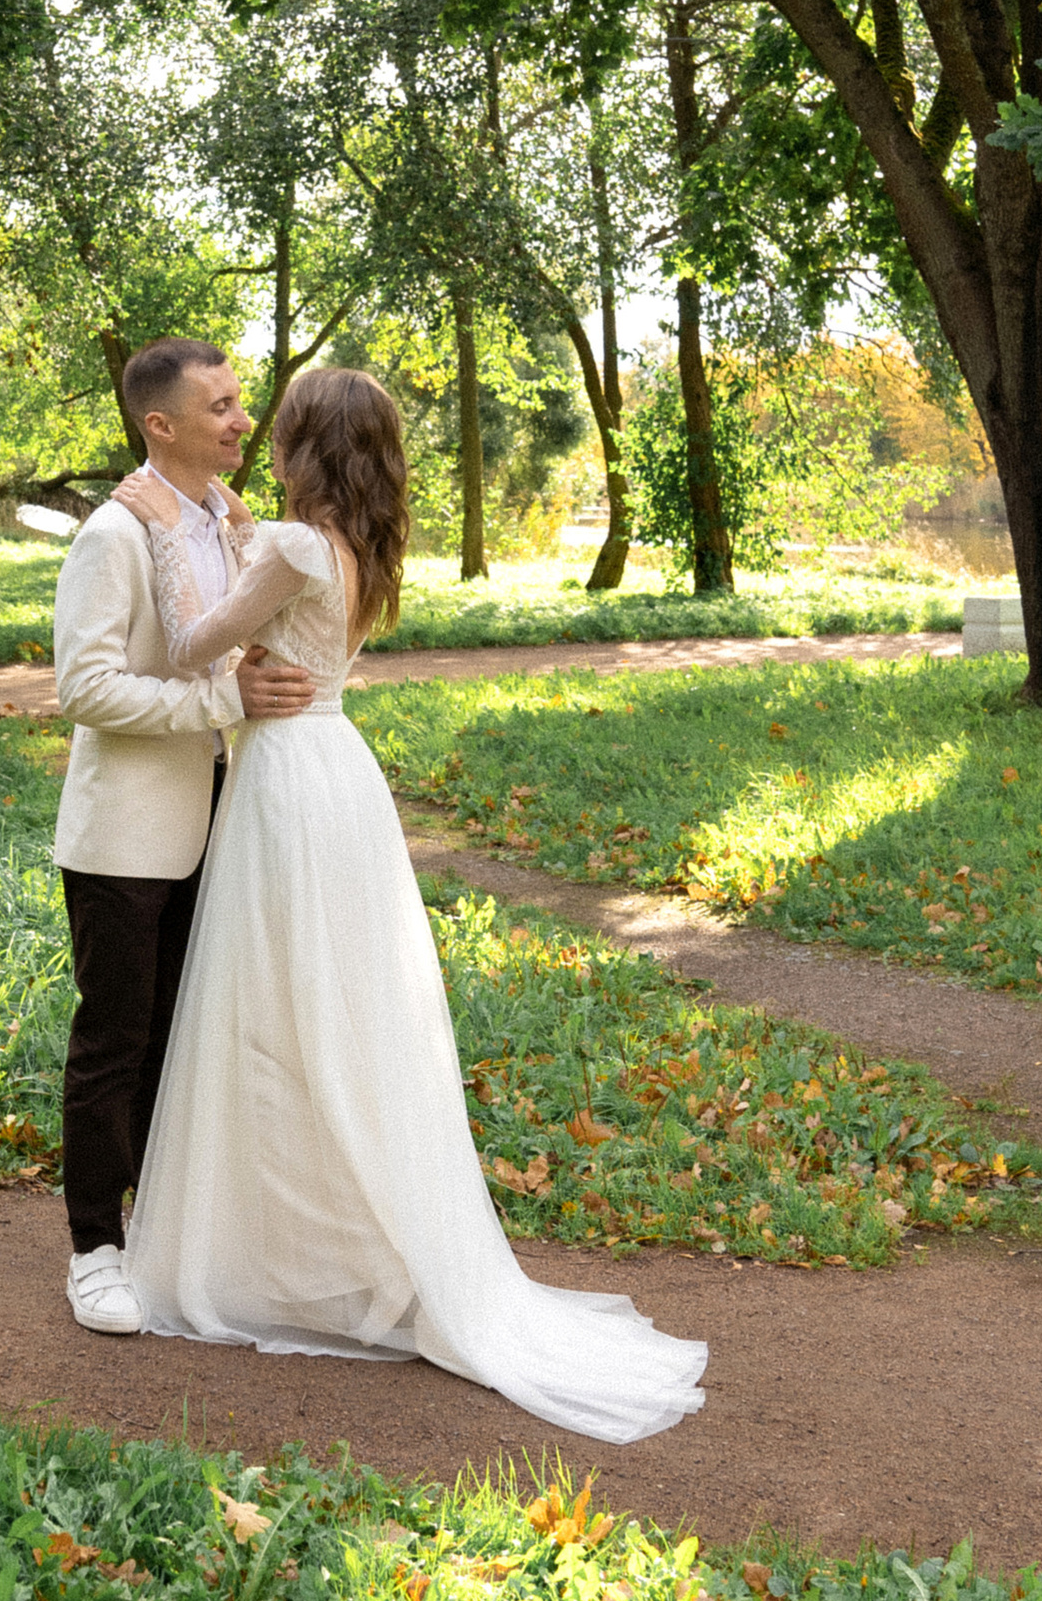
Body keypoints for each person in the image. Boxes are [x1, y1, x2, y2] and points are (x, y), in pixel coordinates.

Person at [110, 365, 707, 1445]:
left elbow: (199, 643)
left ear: (301, 446)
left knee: (274, 1006)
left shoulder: (292, 546)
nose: (257, 436)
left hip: (285, 780)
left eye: (274, 426)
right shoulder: (351, 548)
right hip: (334, 770)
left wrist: (162, 527)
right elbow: (277, 599)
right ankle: (331, 1242)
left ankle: (279, 1249)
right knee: (333, 1006)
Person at [50, 338, 318, 1334]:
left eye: (241, 401)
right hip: (126, 834)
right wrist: (223, 697)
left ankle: (165, 1235)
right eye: (220, 406)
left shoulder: (238, 530)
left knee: (185, 1038)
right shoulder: (114, 537)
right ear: (159, 426)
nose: (243, 420)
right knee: (116, 1041)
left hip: (227, 821)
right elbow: (83, 688)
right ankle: (93, 1253)